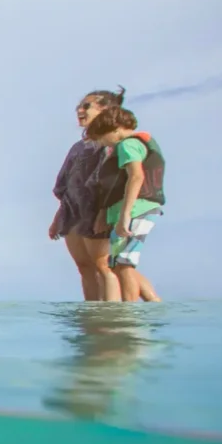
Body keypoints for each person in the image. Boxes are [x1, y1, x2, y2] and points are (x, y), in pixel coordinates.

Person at [49, 87, 160, 302]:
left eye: (86, 106)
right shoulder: (78, 147)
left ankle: (123, 311)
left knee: (107, 264)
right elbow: (67, 183)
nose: (79, 110)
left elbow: (119, 180)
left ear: (106, 110)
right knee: (85, 266)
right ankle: (92, 315)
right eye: (78, 106)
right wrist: (58, 217)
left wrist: (105, 212)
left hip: (101, 209)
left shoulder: (114, 142)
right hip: (74, 211)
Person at [86, 105, 166, 302]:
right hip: (131, 211)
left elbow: (136, 176)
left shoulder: (127, 145)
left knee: (124, 264)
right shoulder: (139, 143)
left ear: (114, 129)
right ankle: (141, 306)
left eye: (101, 137)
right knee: (116, 264)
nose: (101, 143)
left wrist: (125, 215)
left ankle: (128, 311)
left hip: (137, 210)